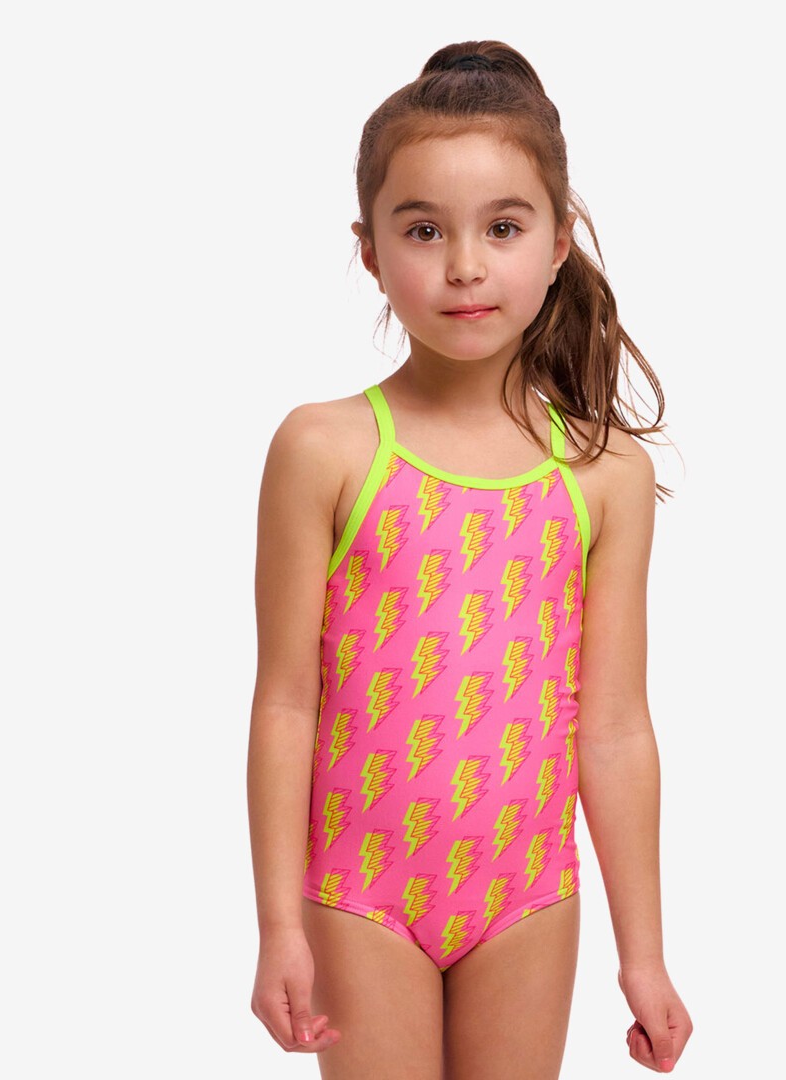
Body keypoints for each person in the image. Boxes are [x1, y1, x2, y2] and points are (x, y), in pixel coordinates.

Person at [247, 39, 693, 1078]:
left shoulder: (603, 472)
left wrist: (644, 956)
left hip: (526, 897)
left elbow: (614, 727)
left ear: (558, 239)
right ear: (369, 251)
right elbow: (286, 701)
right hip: (358, 892)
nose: (463, 265)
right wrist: (277, 925)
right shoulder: (323, 448)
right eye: (422, 229)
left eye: (502, 226)